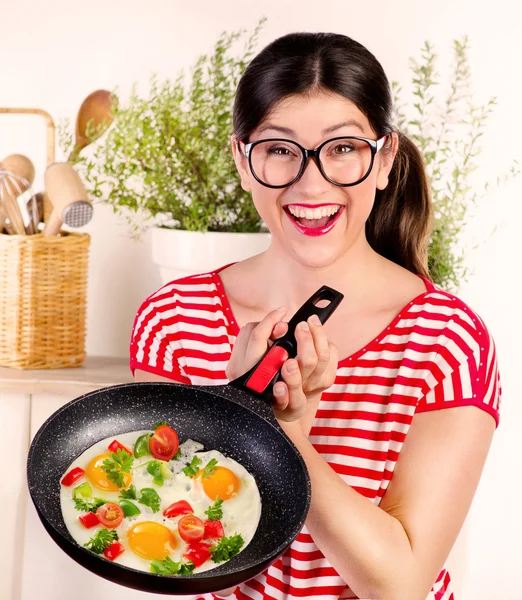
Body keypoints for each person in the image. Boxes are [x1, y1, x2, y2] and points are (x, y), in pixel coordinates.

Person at [130, 31, 501, 600]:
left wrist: (284, 434)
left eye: (343, 148)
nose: (312, 183)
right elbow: (157, 529)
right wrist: (238, 404)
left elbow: (399, 583)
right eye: (279, 149)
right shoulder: (175, 318)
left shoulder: (447, 340)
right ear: (242, 158)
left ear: (383, 160)